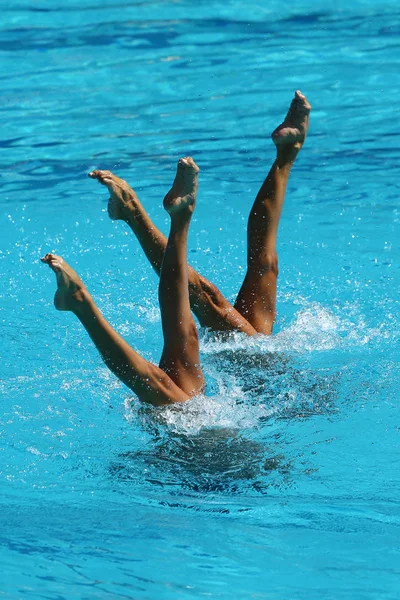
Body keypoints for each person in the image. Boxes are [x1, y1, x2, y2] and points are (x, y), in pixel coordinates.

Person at [42, 91, 310, 406]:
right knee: (249, 277)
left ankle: (149, 220)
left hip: (222, 420)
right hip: (260, 383)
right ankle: (285, 155)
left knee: (187, 349)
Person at [88, 90, 311, 336]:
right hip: (267, 360)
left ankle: (133, 212)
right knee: (265, 266)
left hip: (257, 364)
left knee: (214, 299)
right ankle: (288, 152)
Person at [42, 157, 205, 406]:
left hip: (206, 440)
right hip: (217, 428)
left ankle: (81, 303)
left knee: (167, 389)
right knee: (187, 339)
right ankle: (177, 218)